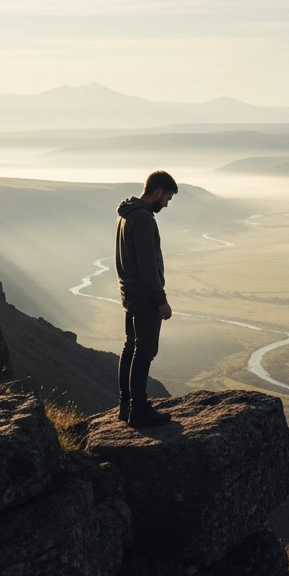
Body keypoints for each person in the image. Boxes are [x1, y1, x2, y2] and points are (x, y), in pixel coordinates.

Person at [115, 170, 178, 426]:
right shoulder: (142, 218)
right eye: (167, 199)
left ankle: (126, 406)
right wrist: (160, 300)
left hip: (130, 294)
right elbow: (147, 266)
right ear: (158, 192)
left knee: (131, 347)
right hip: (144, 297)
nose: (166, 204)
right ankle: (138, 410)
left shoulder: (127, 214)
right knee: (145, 350)